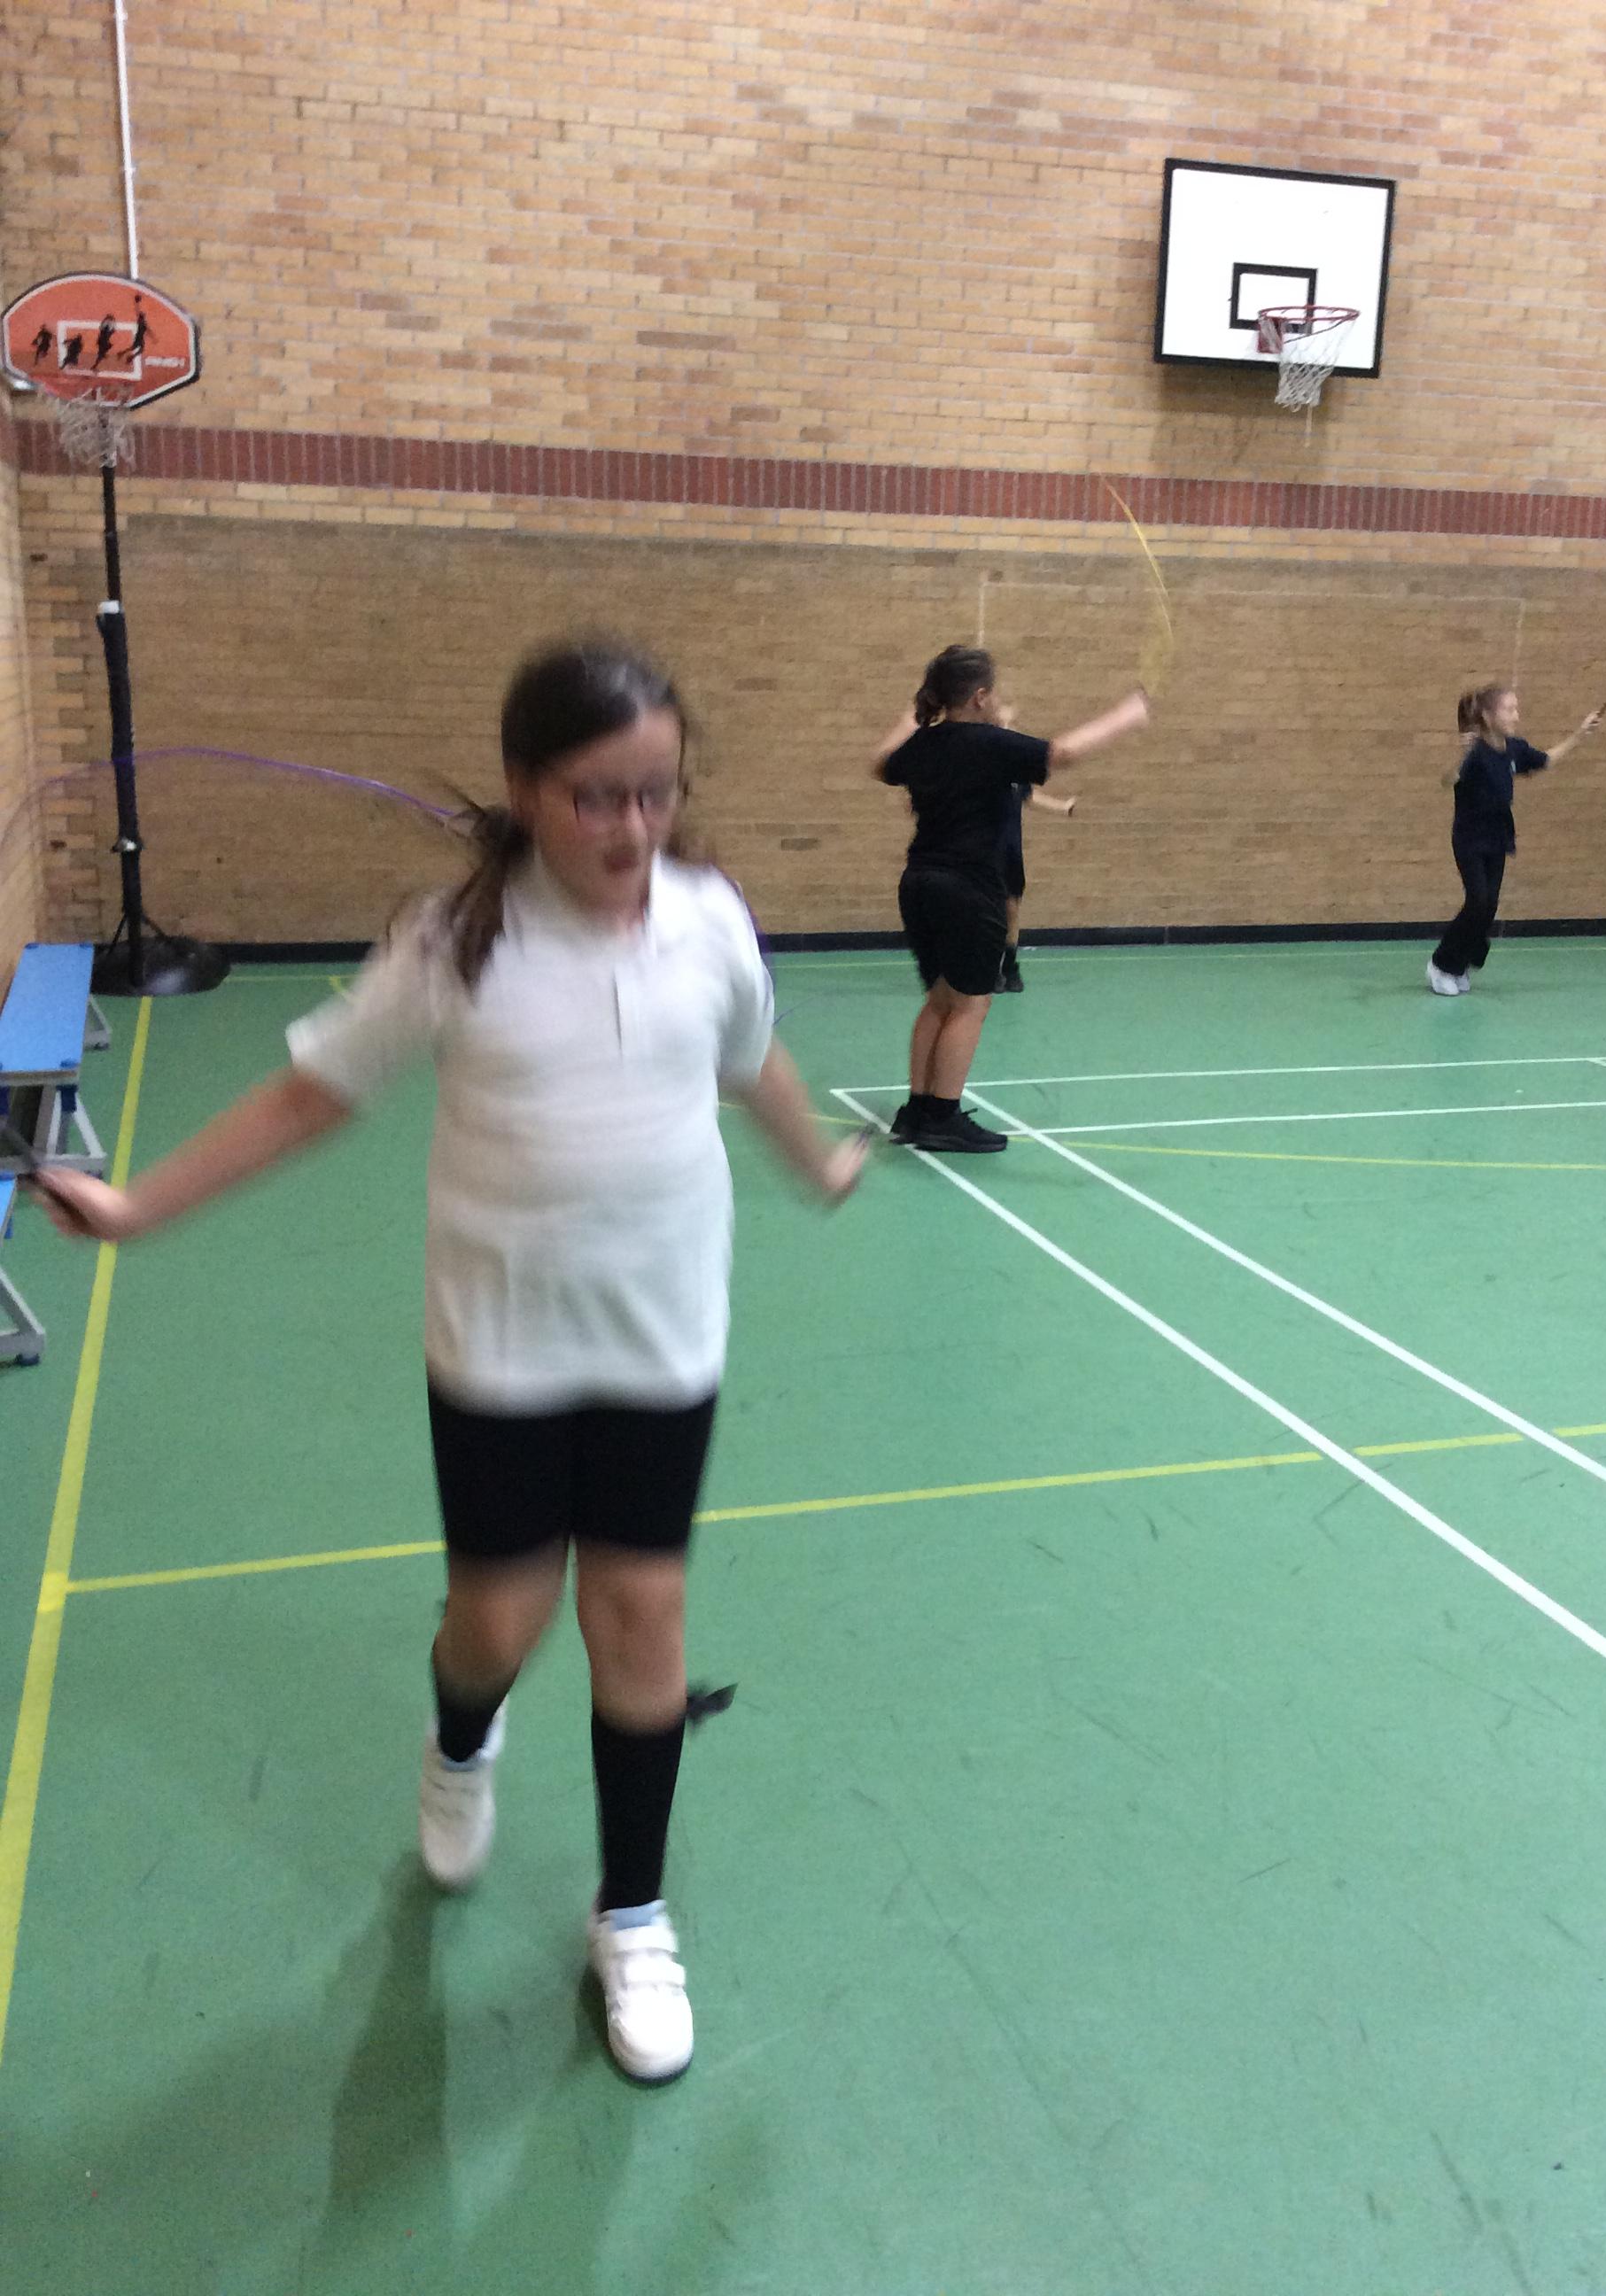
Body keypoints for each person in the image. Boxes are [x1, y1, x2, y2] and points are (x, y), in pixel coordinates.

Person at [35, 641, 865, 2085]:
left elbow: (753, 1059)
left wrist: (817, 1159)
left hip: (664, 1339)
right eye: (597, 796)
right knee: (501, 1620)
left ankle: (633, 1914)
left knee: (642, 1616)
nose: (632, 827)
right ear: (525, 787)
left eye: (657, 793)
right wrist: (137, 1205)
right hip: (500, 1348)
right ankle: (460, 1736)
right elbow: (310, 1094)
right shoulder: (455, 945)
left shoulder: (710, 920)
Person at [872, 646, 1150, 1150]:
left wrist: (908, 720)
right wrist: (1125, 716)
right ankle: (942, 1117)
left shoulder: (924, 743)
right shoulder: (990, 744)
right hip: (968, 890)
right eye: (995, 693)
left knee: (940, 1001)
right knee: (970, 1006)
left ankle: (916, 1111)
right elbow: (1062, 753)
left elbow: (880, 765)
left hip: (919, 883)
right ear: (980, 697)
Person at [1427, 685, 1606, 995]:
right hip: (1470, 839)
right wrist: (1461, 755)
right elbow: (1447, 781)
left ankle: (1461, 963)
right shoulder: (1475, 753)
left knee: (1489, 907)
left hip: (1497, 838)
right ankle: (1441, 965)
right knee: (1477, 901)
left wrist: (1580, 734)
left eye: (1516, 709)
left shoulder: (1513, 749)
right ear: (1488, 716)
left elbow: (1546, 760)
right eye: (1509, 710)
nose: (1516, 715)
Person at [996, 780, 1076, 993]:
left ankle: (1010, 967)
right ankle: (990, 968)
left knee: (1012, 909)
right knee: (988, 912)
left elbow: (1029, 795)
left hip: (1011, 854)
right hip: (984, 854)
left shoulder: (1015, 777)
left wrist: (1062, 807)